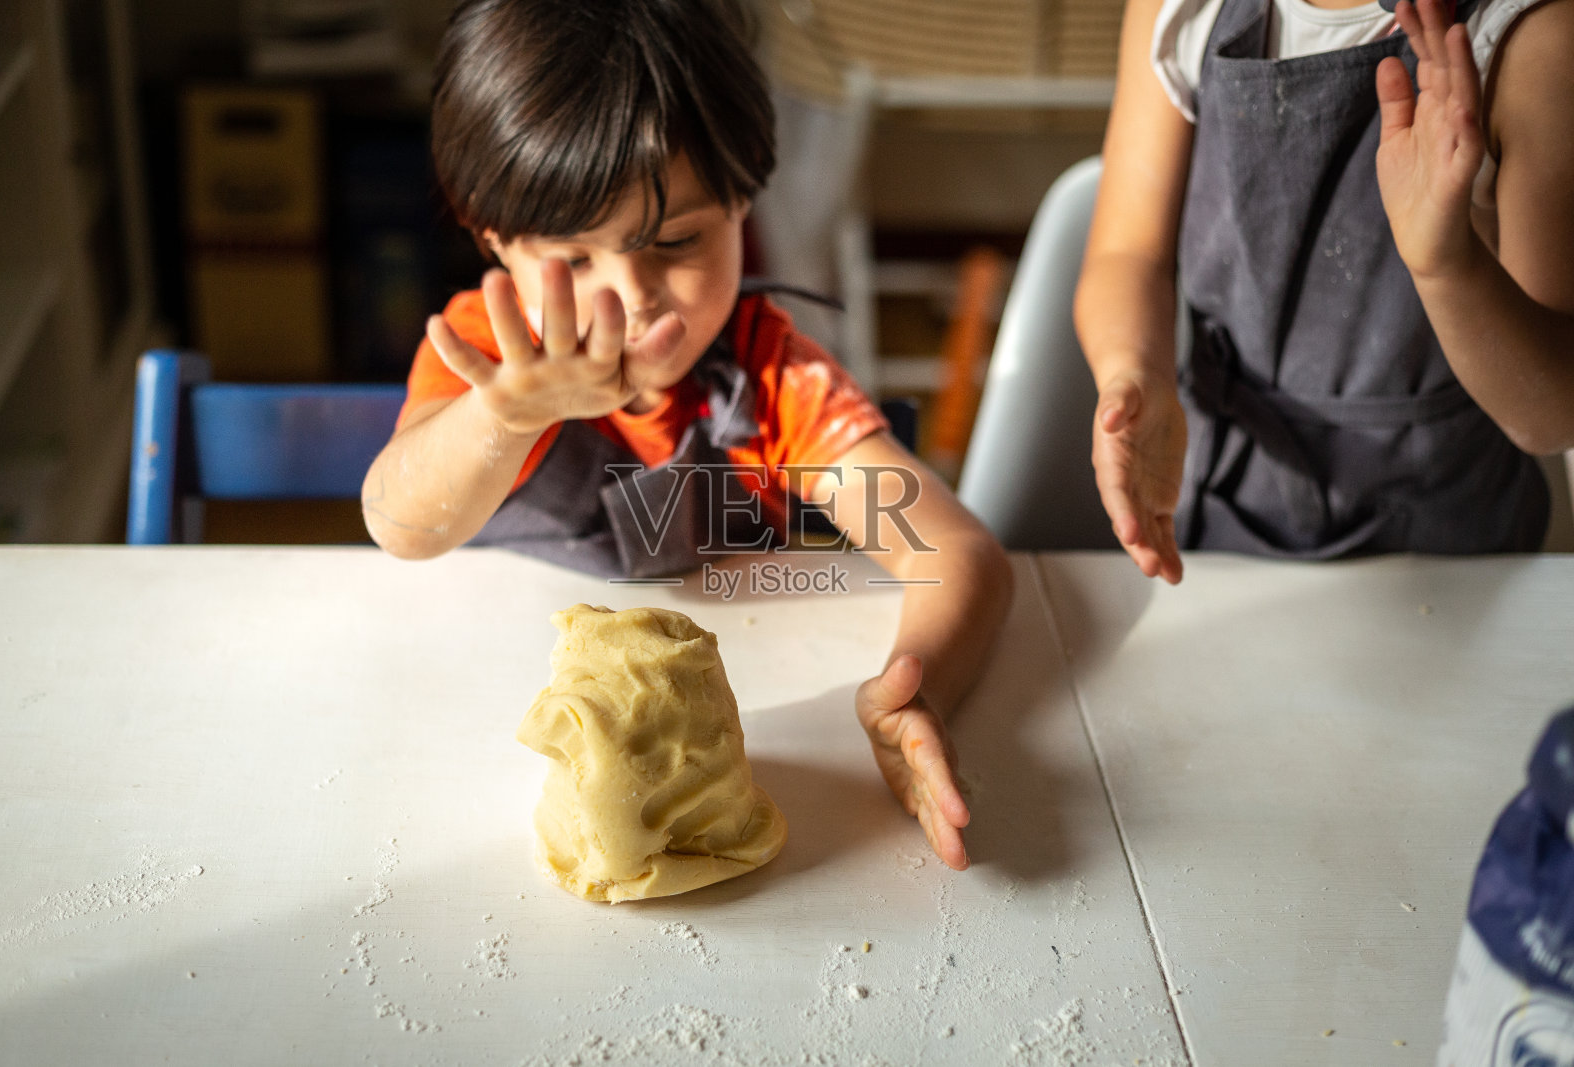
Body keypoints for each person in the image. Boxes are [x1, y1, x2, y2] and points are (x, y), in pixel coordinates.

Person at [360, 0, 1012, 870]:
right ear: (494, 236)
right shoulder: (492, 357)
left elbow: (957, 551)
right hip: (479, 749)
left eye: (676, 240)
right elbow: (403, 526)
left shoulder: (773, 380)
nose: (633, 297)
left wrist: (916, 688)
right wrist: (506, 416)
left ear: (744, 195)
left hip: (730, 744)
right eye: (575, 258)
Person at [1076, 0, 1574, 582]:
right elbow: (1127, 255)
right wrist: (1133, 374)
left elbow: (1551, 416)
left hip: (1453, 551)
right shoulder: (1180, 10)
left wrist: (1446, 265)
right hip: (1220, 511)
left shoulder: (1536, 44)